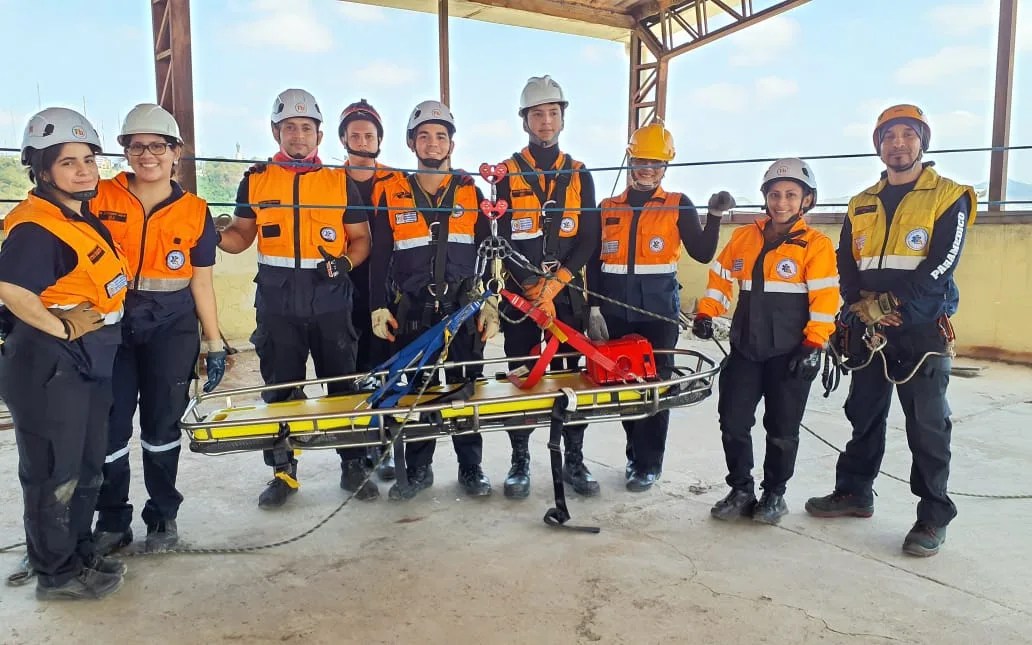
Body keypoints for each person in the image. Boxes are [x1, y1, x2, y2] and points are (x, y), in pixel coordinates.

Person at [805, 104, 976, 557]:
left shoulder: (949, 195)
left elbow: (942, 263)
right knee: (863, 413)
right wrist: (862, 306)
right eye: (888, 136)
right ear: (878, 145)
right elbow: (846, 261)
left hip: (920, 330)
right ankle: (855, 492)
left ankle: (933, 515)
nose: (897, 143)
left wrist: (891, 304)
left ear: (923, 141)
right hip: (867, 328)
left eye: (907, 135)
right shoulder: (861, 201)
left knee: (927, 426)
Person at [217, 89, 373, 508]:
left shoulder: (339, 181)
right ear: (276, 131)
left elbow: (361, 240)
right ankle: (284, 473)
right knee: (281, 389)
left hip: (330, 298)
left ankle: (353, 464)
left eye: (306, 128)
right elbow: (240, 237)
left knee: (342, 383)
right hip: (277, 299)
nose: (299, 135)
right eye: (290, 128)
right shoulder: (256, 178)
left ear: (319, 135)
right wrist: (211, 233)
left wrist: (345, 264)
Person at [0, 108, 130, 600]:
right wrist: (59, 325)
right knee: (55, 470)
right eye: (67, 162)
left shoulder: (75, 216)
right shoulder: (37, 227)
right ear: (41, 169)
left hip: (88, 357)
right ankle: (55, 573)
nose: (83, 170)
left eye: (88, 159)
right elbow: (11, 289)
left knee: (87, 464)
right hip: (49, 362)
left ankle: (77, 553)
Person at [88, 103, 224, 554]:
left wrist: (214, 341)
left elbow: (201, 281)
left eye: (157, 146)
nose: (147, 155)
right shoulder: (98, 197)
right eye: (136, 145)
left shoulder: (195, 211)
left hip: (172, 328)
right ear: (125, 150)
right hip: (112, 327)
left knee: (162, 427)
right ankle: (112, 520)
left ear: (175, 151)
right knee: (110, 427)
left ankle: (163, 517)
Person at [587, 121, 730, 492]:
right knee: (623, 385)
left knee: (656, 388)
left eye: (655, 162)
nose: (647, 169)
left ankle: (648, 464)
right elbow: (593, 262)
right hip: (615, 312)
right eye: (640, 160)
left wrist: (713, 216)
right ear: (629, 160)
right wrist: (594, 309)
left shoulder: (677, 204)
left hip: (658, 314)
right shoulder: (608, 207)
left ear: (666, 165)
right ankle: (635, 452)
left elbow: (701, 252)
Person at [695, 158, 838, 525]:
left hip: (791, 352)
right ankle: (741, 488)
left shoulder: (815, 245)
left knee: (782, 429)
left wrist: (814, 346)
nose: (782, 202)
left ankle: (774, 494)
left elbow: (825, 299)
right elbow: (722, 278)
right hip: (745, 348)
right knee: (733, 420)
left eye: (791, 195)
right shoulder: (744, 237)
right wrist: (707, 312)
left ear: (807, 200)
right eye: (775, 194)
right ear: (765, 198)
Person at [369, 99, 495, 500]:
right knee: (418, 392)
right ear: (411, 143)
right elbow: (379, 256)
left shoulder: (471, 192)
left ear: (451, 144)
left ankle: (470, 468)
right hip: (414, 312)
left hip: (462, 310)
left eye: (441, 136)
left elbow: (490, 251)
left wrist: (491, 302)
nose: (433, 143)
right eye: (424, 136)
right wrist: (377, 305)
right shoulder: (390, 193)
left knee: (464, 389)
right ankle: (419, 470)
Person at [495, 75, 600, 499]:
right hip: (521, 294)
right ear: (525, 121)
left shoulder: (579, 174)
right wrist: (531, 289)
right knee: (523, 374)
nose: (545, 121)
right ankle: (520, 460)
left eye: (552, 113)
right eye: (537, 114)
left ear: (562, 118)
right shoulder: (505, 174)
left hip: (568, 296)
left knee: (573, 378)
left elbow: (589, 238)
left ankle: (573, 458)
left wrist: (554, 286)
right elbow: (499, 237)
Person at [337, 98, 402, 480]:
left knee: (387, 369)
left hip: (388, 289)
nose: (362, 140)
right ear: (343, 139)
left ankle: (385, 445)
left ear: (380, 139)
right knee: (349, 371)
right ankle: (353, 455)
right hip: (342, 289)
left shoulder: (398, 180)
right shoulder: (330, 179)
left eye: (369, 134)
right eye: (355, 134)